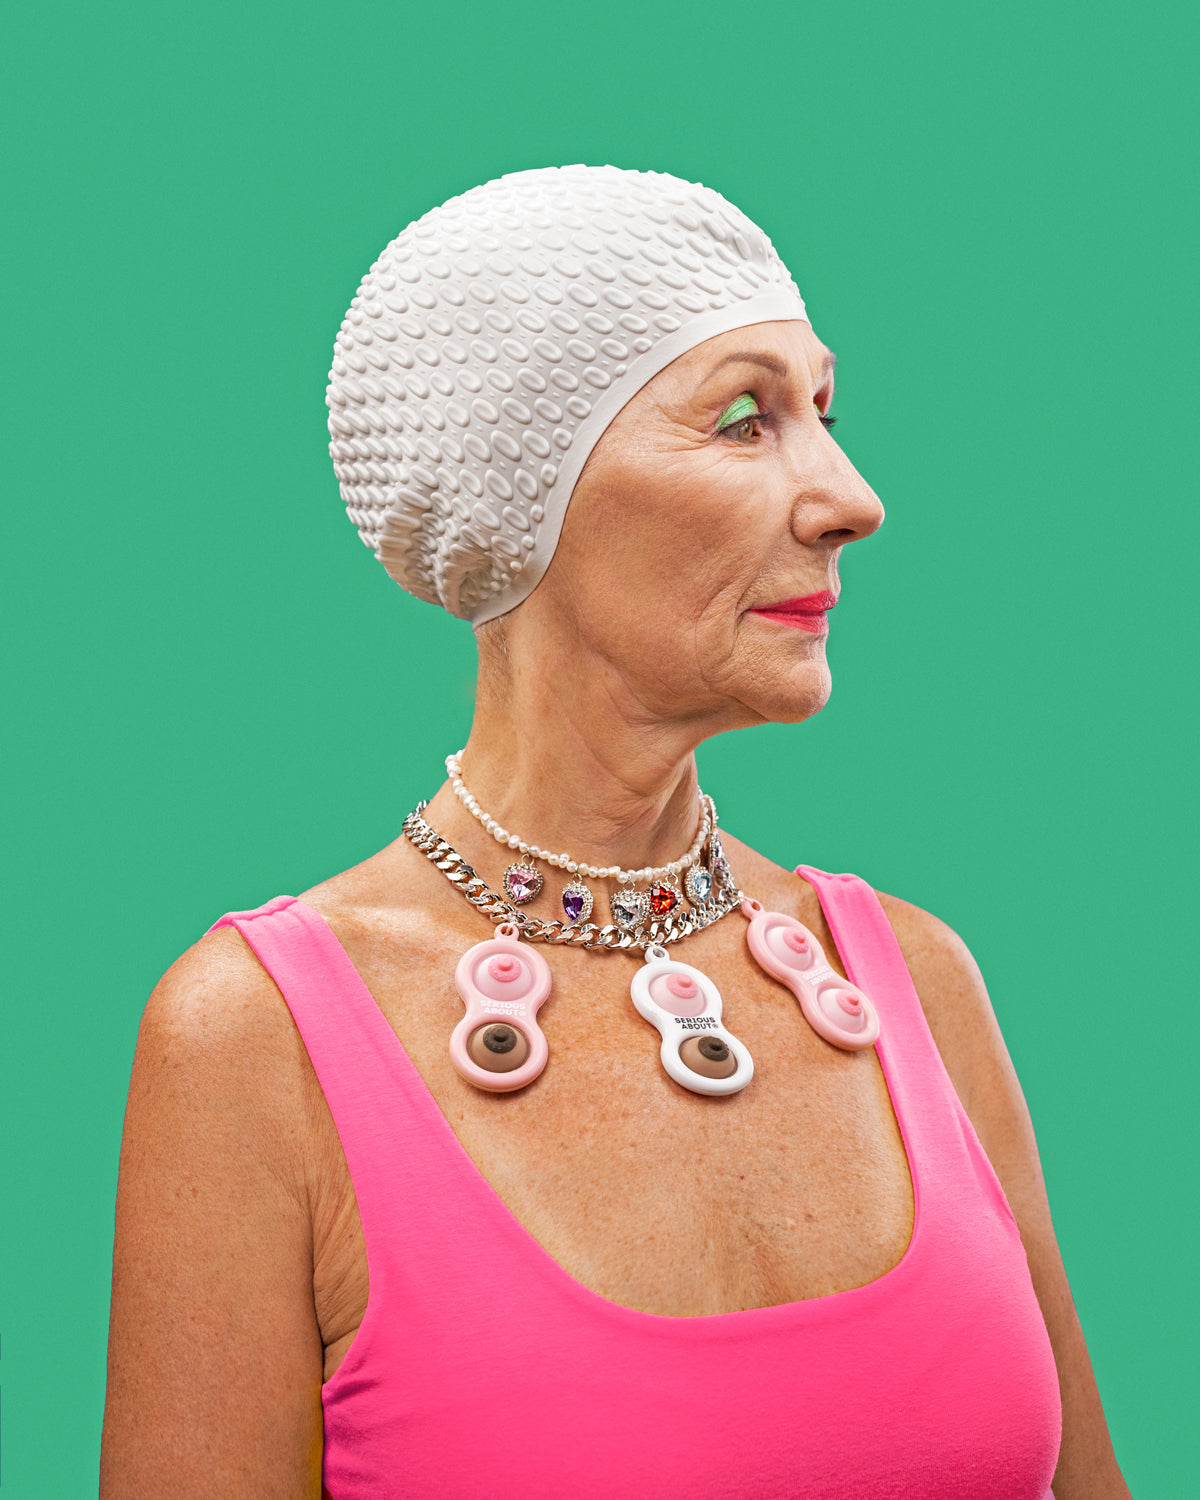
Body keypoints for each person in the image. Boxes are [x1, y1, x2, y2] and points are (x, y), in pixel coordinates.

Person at [100, 165, 1131, 1499]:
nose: (852, 498)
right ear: (522, 491)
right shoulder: (259, 1039)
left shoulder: (917, 982)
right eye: (746, 421)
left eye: (824, 412)